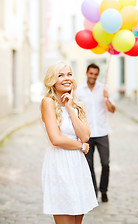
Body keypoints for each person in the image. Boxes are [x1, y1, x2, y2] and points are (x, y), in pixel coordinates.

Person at [41, 61, 98, 224]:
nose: (66, 79)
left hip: (77, 165)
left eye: (69, 74)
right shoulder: (48, 103)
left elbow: (85, 135)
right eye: (60, 75)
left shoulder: (78, 105)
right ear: (52, 80)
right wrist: (81, 146)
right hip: (59, 164)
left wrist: (70, 107)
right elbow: (56, 139)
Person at [77, 63, 116, 203]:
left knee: (106, 163)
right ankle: (93, 192)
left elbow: (112, 109)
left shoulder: (103, 89)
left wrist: (106, 98)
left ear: (98, 75)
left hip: (102, 131)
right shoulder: (79, 90)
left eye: (95, 74)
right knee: (89, 166)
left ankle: (103, 191)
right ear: (87, 73)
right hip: (86, 134)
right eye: (91, 73)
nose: (93, 76)